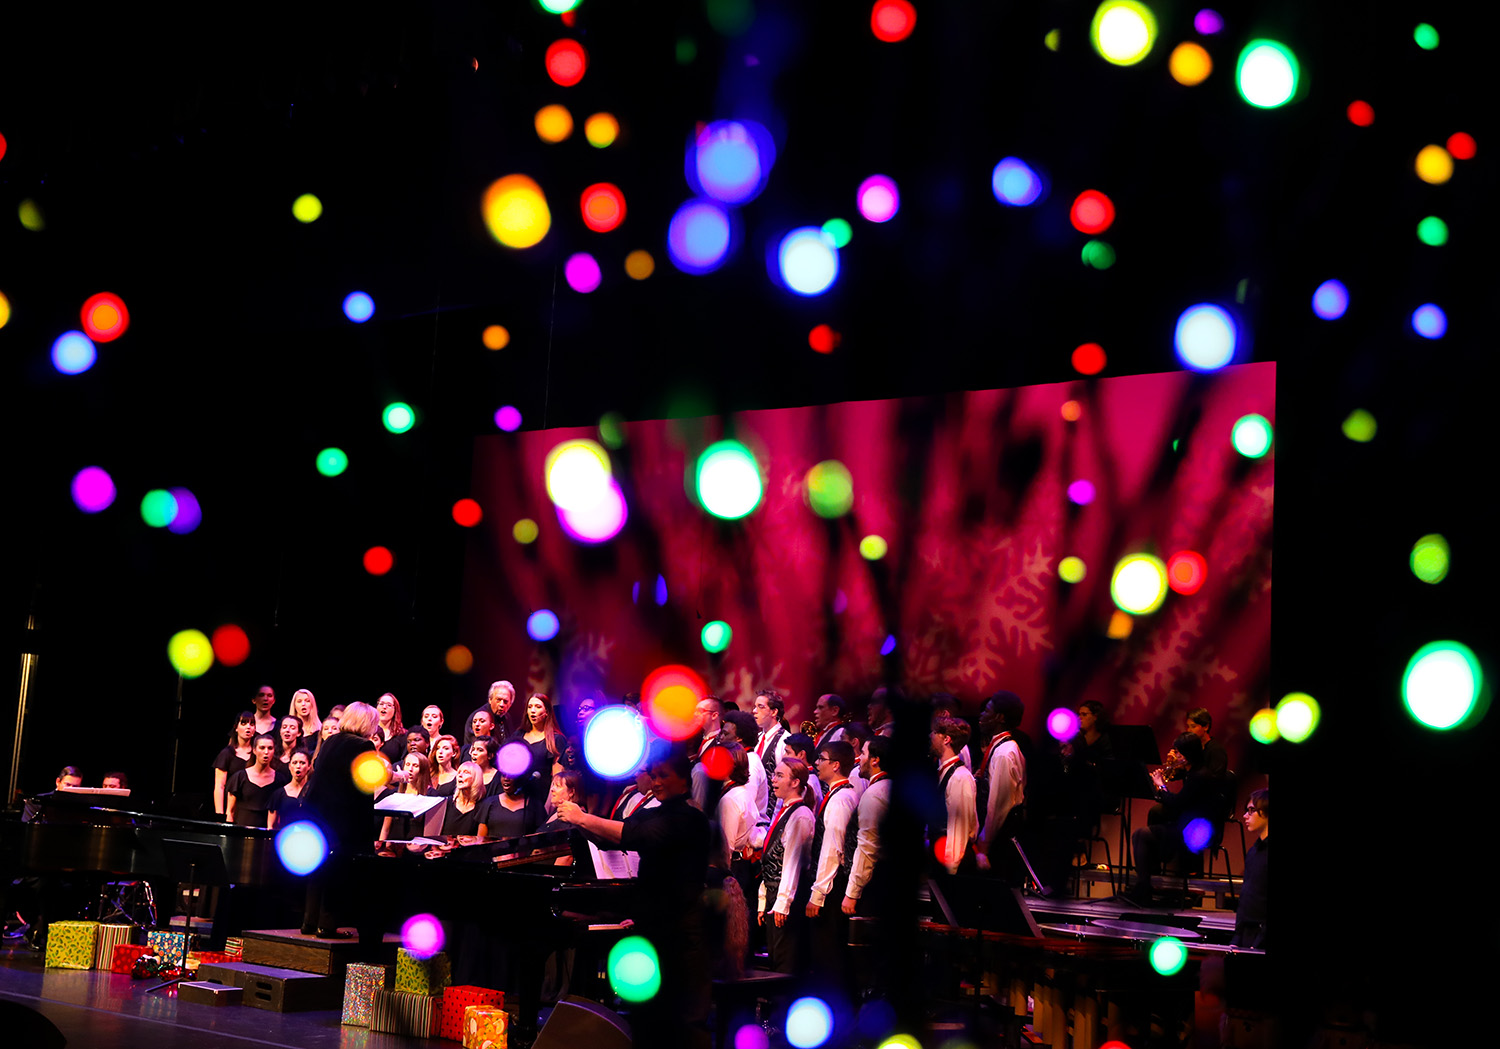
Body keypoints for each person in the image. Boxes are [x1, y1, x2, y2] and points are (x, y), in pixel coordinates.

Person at [553, 742, 711, 1049]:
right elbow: (613, 839)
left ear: (684, 779)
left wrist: (582, 817)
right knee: (646, 1015)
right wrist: (578, 821)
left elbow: (634, 836)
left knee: (685, 1018)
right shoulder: (654, 811)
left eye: (664, 775)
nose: (656, 782)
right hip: (653, 926)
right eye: (653, 775)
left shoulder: (689, 818)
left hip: (683, 932)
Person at [301, 701, 379, 938]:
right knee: (336, 870)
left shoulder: (331, 740)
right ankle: (327, 925)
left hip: (317, 813)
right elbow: (363, 787)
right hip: (342, 818)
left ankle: (309, 922)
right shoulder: (364, 745)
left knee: (318, 868)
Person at [1124, 734, 1222, 905]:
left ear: (1186, 755)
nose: (1174, 755)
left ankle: (1144, 887)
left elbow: (1178, 804)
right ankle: (1147, 884)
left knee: (1141, 834)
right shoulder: (1193, 772)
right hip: (1189, 825)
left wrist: (1161, 787)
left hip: (1195, 832)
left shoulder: (1199, 776)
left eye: (1177, 752)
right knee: (1149, 828)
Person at [757, 758, 816, 974]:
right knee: (775, 959)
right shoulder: (784, 811)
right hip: (776, 895)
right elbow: (771, 858)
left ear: (795, 782)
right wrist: (764, 899)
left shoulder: (800, 815)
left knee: (785, 963)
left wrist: (782, 903)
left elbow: (791, 863)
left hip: (788, 900)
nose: (773, 779)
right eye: (775, 775)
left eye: (780, 775)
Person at [806, 740, 858, 981]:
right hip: (829, 883)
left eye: (822, 759)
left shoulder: (841, 799)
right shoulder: (836, 795)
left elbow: (832, 849)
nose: (816, 763)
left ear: (836, 765)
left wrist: (818, 895)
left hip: (832, 886)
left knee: (828, 953)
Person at [976, 691, 1026, 877]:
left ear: (1000, 717)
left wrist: (984, 845)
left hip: (1001, 835)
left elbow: (998, 805)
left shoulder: (1005, 753)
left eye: (987, 711)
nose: (981, 715)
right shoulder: (1000, 748)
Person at [932, 716, 978, 874]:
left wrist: (950, 873)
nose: (930, 736)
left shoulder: (960, 777)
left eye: (934, 733)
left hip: (954, 867)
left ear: (946, 739)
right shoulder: (944, 773)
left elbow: (958, 829)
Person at [374, 753, 433, 852]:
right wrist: (381, 844)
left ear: (423, 770)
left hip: (417, 845)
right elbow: (386, 827)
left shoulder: (432, 795)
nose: (410, 769)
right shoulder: (393, 793)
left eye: (415, 766)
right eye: (407, 764)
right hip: (394, 847)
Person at [1233, 789, 1268, 949]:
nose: (1245, 816)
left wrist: (1260, 940)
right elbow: (1246, 896)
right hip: (1246, 933)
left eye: (1251, 810)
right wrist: (1237, 935)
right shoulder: (1253, 851)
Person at [225, 735, 285, 828]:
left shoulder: (280, 780)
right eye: (262, 748)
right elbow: (230, 811)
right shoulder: (240, 777)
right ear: (254, 750)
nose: (266, 752)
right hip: (241, 831)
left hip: (266, 833)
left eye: (270, 748)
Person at [721, 709, 768, 818]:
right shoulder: (743, 759)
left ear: (739, 738)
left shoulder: (750, 763)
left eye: (725, 734)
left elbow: (744, 808)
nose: (721, 738)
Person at [752, 690, 791, 815]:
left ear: (774, 712)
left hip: (771, 814)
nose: (754, 711)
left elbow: (786, 783)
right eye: (755, 706)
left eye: (760, 707)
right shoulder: (757, 739)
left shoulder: (784, 741)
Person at [521, 693, 563, 801]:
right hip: (518, 797)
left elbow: (557, 777)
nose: (533, 710)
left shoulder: (555, 740)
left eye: (538, 707)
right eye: (530, 707)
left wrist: (548, 805)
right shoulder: (518, 735)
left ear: (546, 712)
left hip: (541, 798)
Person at [213, 712, 257, 816]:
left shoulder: (257, 753)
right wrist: (220, 815)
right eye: (244, 723)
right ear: (236, 728)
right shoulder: (227, 754)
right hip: (231, 808)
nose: (248, 727)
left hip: (251, 807)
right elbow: (219, 786)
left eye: (252, 724)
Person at [268, 750, 312, 830]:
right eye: (294, 763)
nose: (298, 766)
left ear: (309, 766)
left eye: (302, 763)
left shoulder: (313, 792)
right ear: (289, 766)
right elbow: (271, 826)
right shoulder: (279, 794)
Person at [1186, 707, 1229, 779]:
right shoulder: (1193, 748)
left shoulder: (1216, 750)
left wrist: (1189, 767)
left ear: (1206, 727)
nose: (1189, 730)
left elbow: (1215, 779)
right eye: (1188, 726)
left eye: (1193, 726)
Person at [376, 694, 407, 763]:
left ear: (395, 711)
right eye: (381, 704)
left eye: (389, 705)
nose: (384, 707)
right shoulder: (367, 730)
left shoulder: (402, 735)